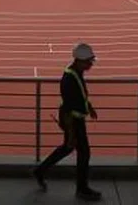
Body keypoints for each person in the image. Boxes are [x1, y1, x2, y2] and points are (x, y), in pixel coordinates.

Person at [31, 42, 101, 201]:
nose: (91, 64)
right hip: (72, 120)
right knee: (83, 152)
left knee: (67, 148)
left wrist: (88, 106)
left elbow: (80, 94)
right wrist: (70, 133)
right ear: (79, 60)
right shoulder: (69, 78)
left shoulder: (76, 72)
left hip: (76, 117)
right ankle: (82, 189)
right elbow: (69, 107)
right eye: (89, 61)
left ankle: (40, 171)